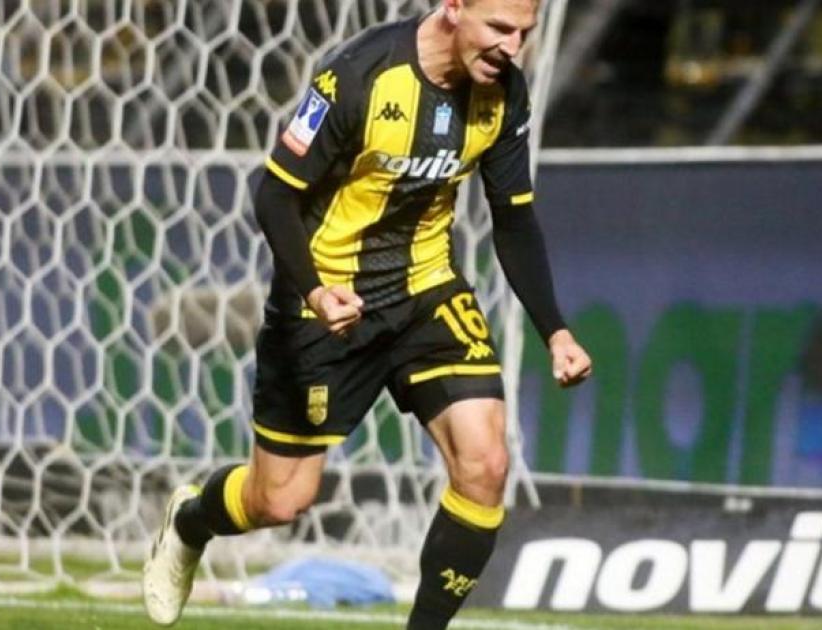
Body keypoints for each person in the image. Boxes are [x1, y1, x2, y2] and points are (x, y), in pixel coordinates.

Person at [142, 0, 591, 627]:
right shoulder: (358, 76)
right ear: (454, 7)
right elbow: (274, 194)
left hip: (426, 292)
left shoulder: (503, 94)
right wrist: (315, 292)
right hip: (327, 302)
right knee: (279, 500)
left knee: (486, 463)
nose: (512, 48)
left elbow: (513, 219)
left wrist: (556, 330)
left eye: (524, 33)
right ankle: (192, 520)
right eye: (499, 29)